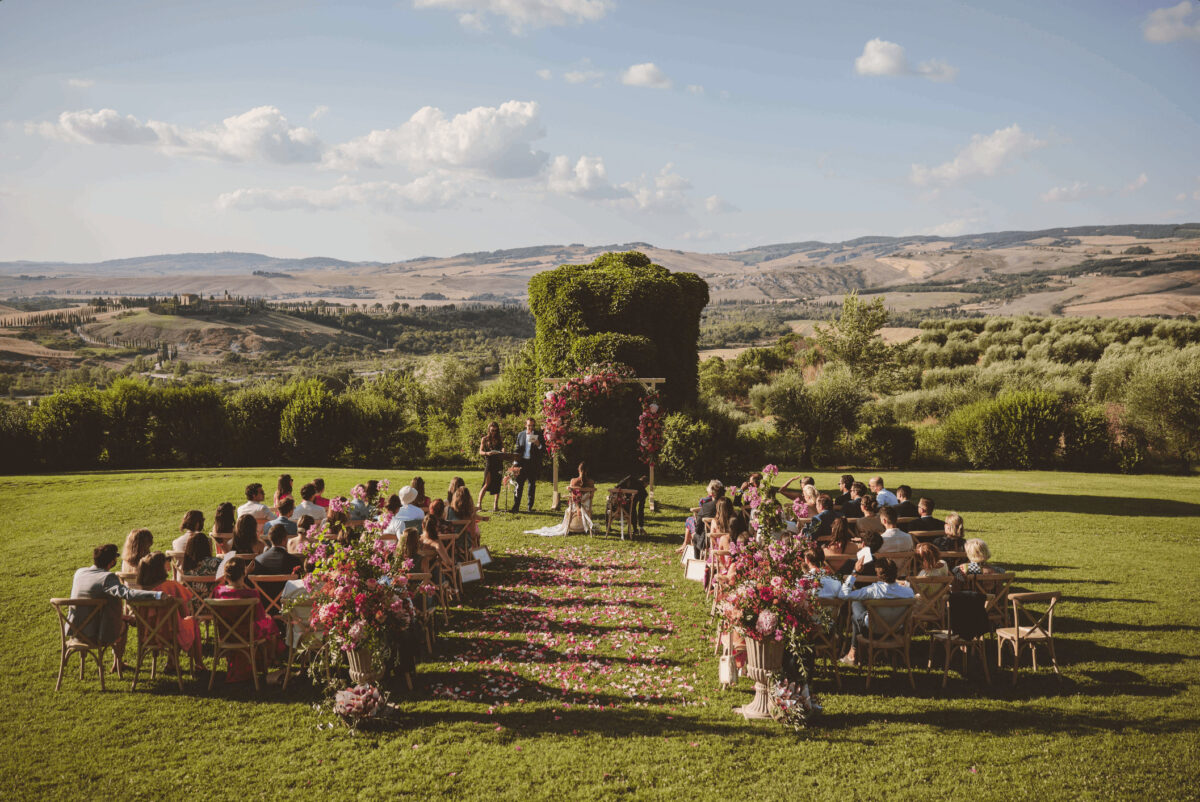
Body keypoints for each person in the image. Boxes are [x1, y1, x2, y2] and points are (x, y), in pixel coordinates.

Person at [69, 544, 163, 671]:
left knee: (123, 618)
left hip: (75, 631)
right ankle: (118, 663)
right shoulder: (107, 578)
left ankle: (117, 663)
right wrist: (157, 595)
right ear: (112, 561)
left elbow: (91, 604)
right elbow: (128, 594)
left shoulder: (79, 573)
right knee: (123, 624)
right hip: (95, 635)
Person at [212, 559, 281, 682]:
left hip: (225, 634)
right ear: (244, 574)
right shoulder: (251, 594)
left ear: (226, 575)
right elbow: (260, 617)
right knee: (270, 622)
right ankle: (271, 658)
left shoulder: (218, 591)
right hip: (247, 634)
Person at [135, 552, 205, 670]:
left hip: (147, 634)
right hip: (169, 633)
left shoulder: (139, 592)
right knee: (188, 621)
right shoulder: (171, 587)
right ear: (160, 568)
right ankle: (198, 663)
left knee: (173, 623)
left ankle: (172, 663)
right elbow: (184, 613)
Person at [838, 557, 914, 664]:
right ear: (896, 573)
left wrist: (855, 572)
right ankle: (854, 652)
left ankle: (853, 652)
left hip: (873, 632)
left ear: (878, 575)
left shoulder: (873, 590)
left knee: (856, 607)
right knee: (857, 608)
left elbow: (843, 595)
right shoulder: (908, 592)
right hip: (897, 632)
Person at [254, 524, 304, 602]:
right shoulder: (294, 561)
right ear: (285, 540)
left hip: (264, 604)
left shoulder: (258, 560)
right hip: (287, 604)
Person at [683, 480, 724, 555]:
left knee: (695, 536)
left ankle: (697, 559)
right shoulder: (727, 504)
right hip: (725, 537)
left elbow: (698, 529)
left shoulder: (706, 507)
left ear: (711, 493)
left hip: (709, 539)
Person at [216, 514, 264, 579]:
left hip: (234, 580)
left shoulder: (230, 544)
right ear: (254, 528)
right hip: (253, 581)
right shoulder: (259, 545)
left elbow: (227, 565)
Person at [512, 417, 543, 513]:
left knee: (531, 485)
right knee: (518, 485)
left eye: (532, 426)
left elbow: (542, 450)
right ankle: (516, 506)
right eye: (529, 425)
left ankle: (530, 507)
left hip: (532, 463)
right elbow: (517, 449)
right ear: (526, 425)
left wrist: (538, 444)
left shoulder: (538, 435)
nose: (531, 427)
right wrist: (514, 463)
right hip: (522, 462)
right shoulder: (520, 435)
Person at [478, 422, 506, 513]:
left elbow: (503, 448)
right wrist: (487, 453)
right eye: (492, 430)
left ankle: (495, 505)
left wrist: (503, 451)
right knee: (486, 484)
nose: (494, 432)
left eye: (495, 430)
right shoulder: (484, 439)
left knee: (498, 484)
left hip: (498, 463)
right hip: (489, 463)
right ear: (489, 430)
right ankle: (479, 504)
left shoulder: (499, 439)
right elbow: (480, 451)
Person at [448, 485, 483, 549]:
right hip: (464, 544)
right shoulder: (469, 516)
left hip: (449, 542)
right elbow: (473, 536)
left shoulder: (449, 511)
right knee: (476, 532)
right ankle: (475, 553)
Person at [615, 472, 649, 536]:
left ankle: (608, 527)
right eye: (647, 485)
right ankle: (635, 529)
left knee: (632, 507)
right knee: (633, 508)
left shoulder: (630, 479)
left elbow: (617, 488)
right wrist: (641, 526)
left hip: (616, 507)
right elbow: (641, 510)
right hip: (629, 510)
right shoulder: (643, 492)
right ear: (645, 483)